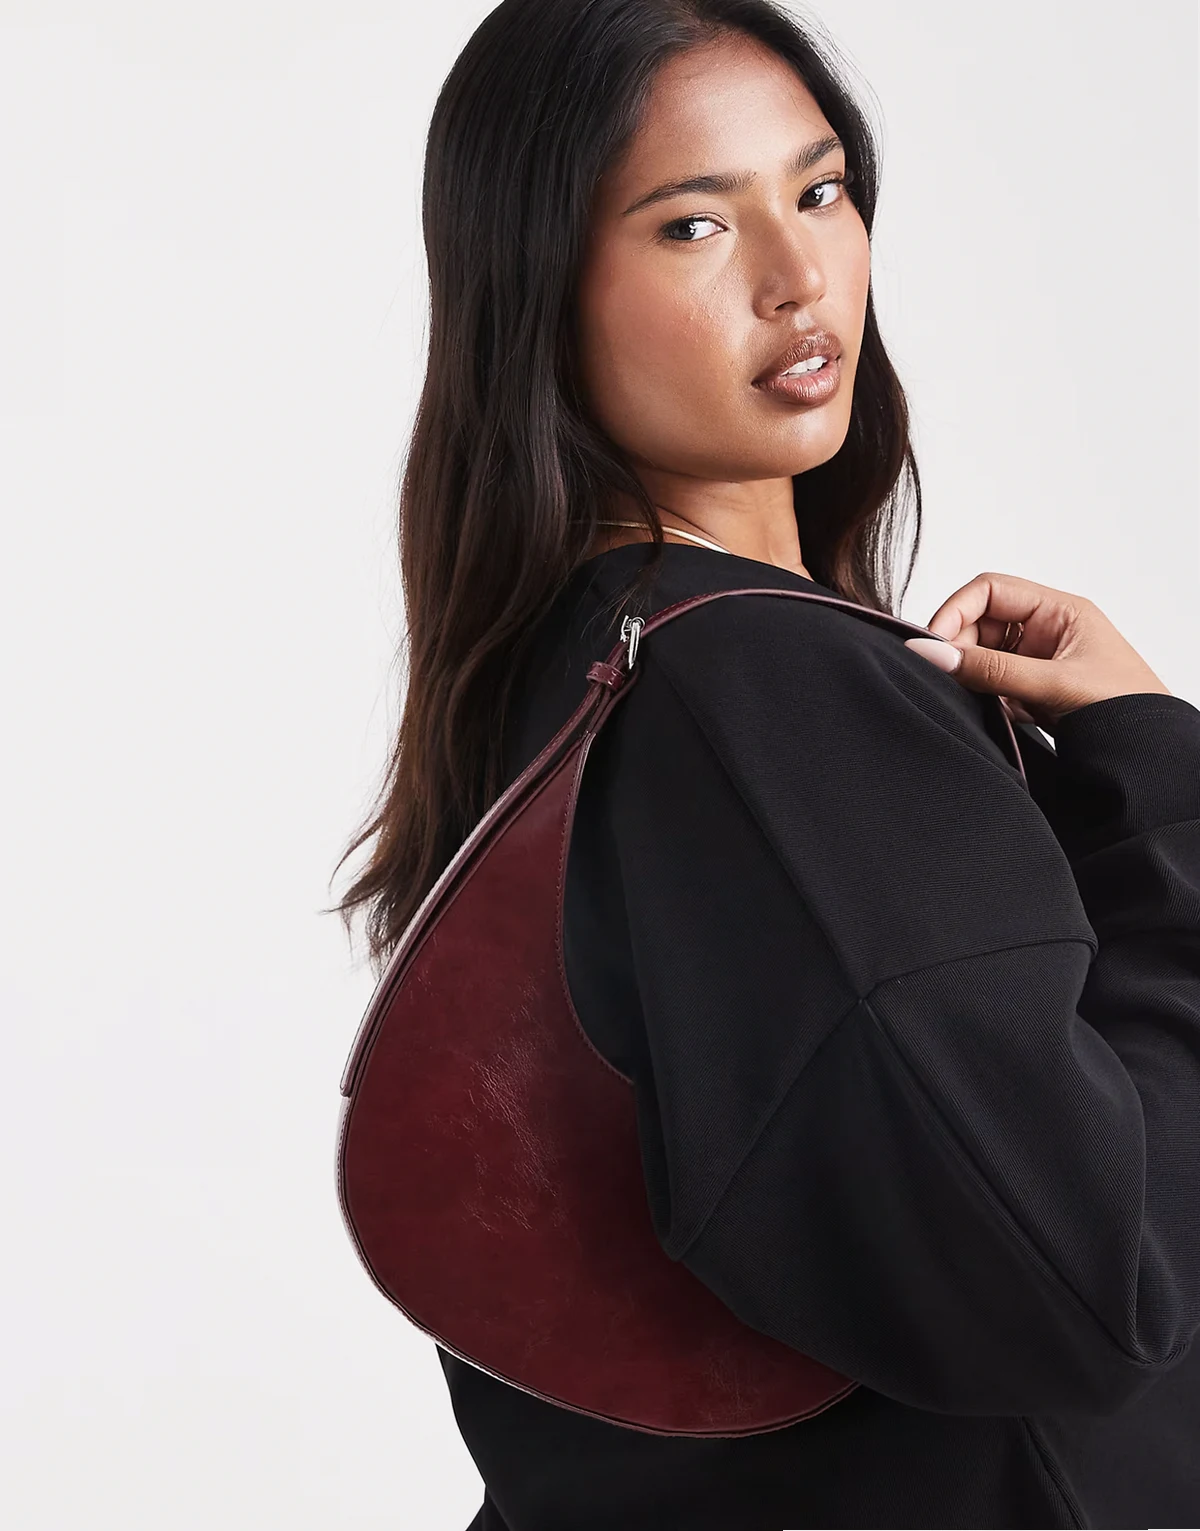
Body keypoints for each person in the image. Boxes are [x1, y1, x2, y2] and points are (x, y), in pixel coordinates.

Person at [332, 1, 1200, 1525]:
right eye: (694, 225)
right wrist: (1154, 779)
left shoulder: (570, 672)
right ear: (540, 288)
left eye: (821, 190)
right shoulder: (758, 690)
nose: (800, 279)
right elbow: (1087, 1283)